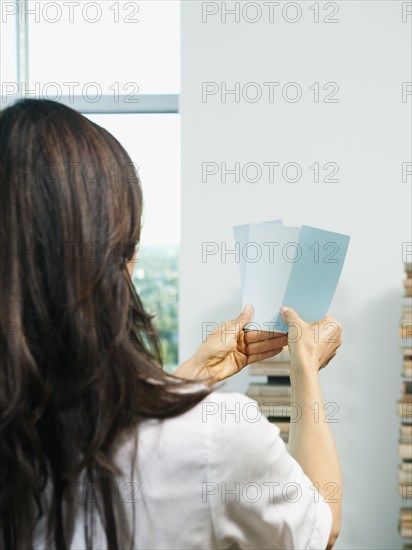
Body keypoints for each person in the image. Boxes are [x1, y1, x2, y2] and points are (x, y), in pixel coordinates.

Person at [0, 99, 342, 550]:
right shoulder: (217, 439)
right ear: (120, 259)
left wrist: (185, 380)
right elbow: (321, 524)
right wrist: (306, 373)